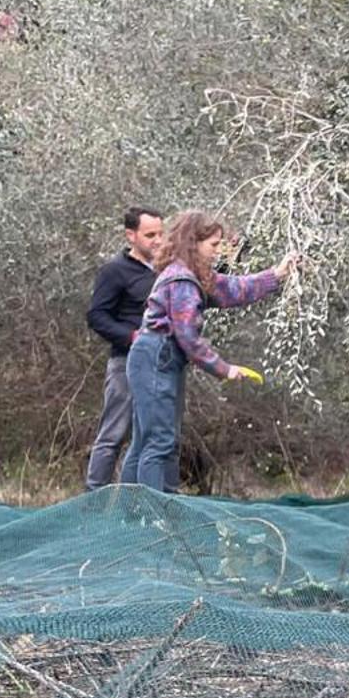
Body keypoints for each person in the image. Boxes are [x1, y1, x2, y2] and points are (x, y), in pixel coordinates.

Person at [118, 211, 295, 493]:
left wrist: (277, 275)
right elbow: (187, 336)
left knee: (146, 440)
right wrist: (224, 369)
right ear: (194, 243)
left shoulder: (191, 276)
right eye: (213, 245)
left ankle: (128, 512)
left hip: (152, 358)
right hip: (156, 357)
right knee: (160, 442)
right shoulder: (183, 282)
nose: (217, 252)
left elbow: (235, 288)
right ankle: (155, 514)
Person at [83, 206, 161, 489]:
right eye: (150, 234)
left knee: (154, 436)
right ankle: (94, 501)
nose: (157, 240)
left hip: (160, 366)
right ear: (131, 235)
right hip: (125, 364)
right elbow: (97, 316)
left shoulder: (165, 269)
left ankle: (141, 503)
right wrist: (132, 337)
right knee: (113, 433)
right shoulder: (115, 271)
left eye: (161, 234)